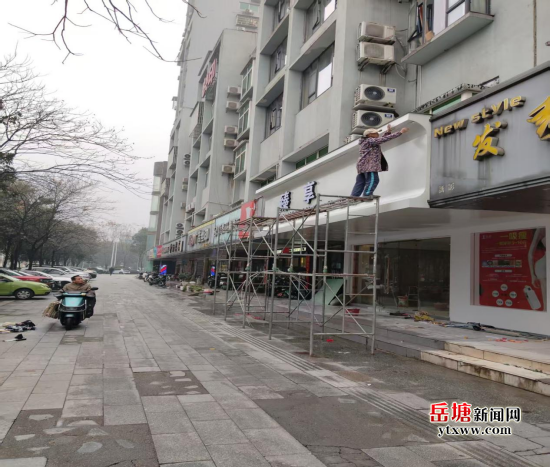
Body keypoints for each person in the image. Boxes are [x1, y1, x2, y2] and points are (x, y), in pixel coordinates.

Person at [351, 124, 409, 199]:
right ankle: (367, 194)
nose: (377, 134)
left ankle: (354, 196)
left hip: (362, 165)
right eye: (375, 133)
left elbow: (382, 139)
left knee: (361, 182)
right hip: (369, 165)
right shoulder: (369, 140)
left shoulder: (367, 141)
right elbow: (383, 139)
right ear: (369, 135)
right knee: (373, 180)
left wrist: (388, 132)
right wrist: (400, 132)